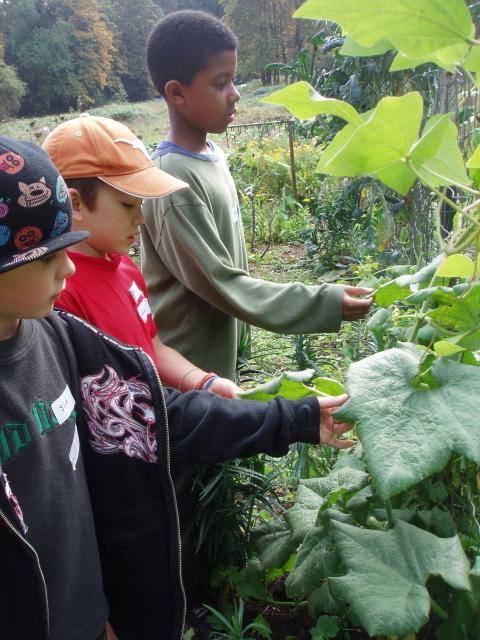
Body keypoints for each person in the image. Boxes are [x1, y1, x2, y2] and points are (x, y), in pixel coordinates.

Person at [0, 135, 353, 639]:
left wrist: (295, 418)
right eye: (46, 255)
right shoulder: (61, 317)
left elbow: (160, 415)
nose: (69, 266)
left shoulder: (59, 340)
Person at [141, 9, 375, 383]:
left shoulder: (209, 156)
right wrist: (324, 302)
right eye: (220, 83)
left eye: (234, 80)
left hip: (215, 366)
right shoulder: (171, 179)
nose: (235, 95)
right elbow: (223, 282)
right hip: (187, 376)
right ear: (176, 92)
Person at [43, 114, 239, 399]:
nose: (141, 218)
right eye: (127, 204)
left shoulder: (125, 269)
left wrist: (204, 383)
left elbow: (152, 348)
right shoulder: (60, 292)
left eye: (141, 204)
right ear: (75, 203)